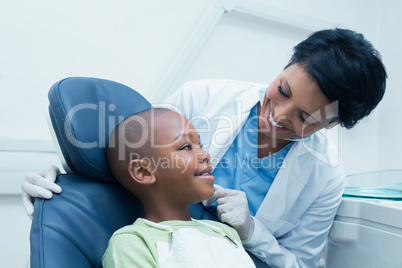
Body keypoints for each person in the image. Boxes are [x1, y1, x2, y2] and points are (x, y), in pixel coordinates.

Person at [22, 28, 387, 267]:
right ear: (287, 65)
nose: (276, 116)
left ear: (333, 124)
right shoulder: (203, 97)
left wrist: (251, 231)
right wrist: (66, 173)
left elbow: (299, 264)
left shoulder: (325, 177)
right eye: (283, 90)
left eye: (305, 117)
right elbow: (141, 152)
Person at [102, 108, 255, 267]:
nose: (205, 154)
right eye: (186, 147)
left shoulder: (225, 232)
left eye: (200, 145)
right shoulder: (133, 242)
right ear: (144, 172)